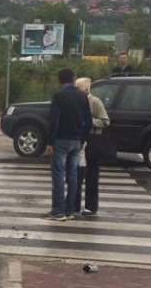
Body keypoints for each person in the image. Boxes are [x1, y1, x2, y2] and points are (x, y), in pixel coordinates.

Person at [45, 68, 91, 221]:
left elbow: (53, 119)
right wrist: (83, 139)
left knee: (58, 175)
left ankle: (58, 211)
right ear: (73, 79)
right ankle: (70, 210)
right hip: (77, 140)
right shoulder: (82, 96)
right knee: (73, 175)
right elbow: (88, 120)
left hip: (61, 139)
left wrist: (50, 141)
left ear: (60, 80)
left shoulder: (59, 95)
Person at [72, 77, 110, 216]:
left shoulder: (95, 101)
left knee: (92, 174)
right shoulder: (75, 101)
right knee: (76, 173)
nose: (76, 91)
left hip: (93, 139)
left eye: (78, 88)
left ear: (86, 89)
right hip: (79, 139)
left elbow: (105, 121)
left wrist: (89, 122)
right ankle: (74, 204)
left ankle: (90, 206)